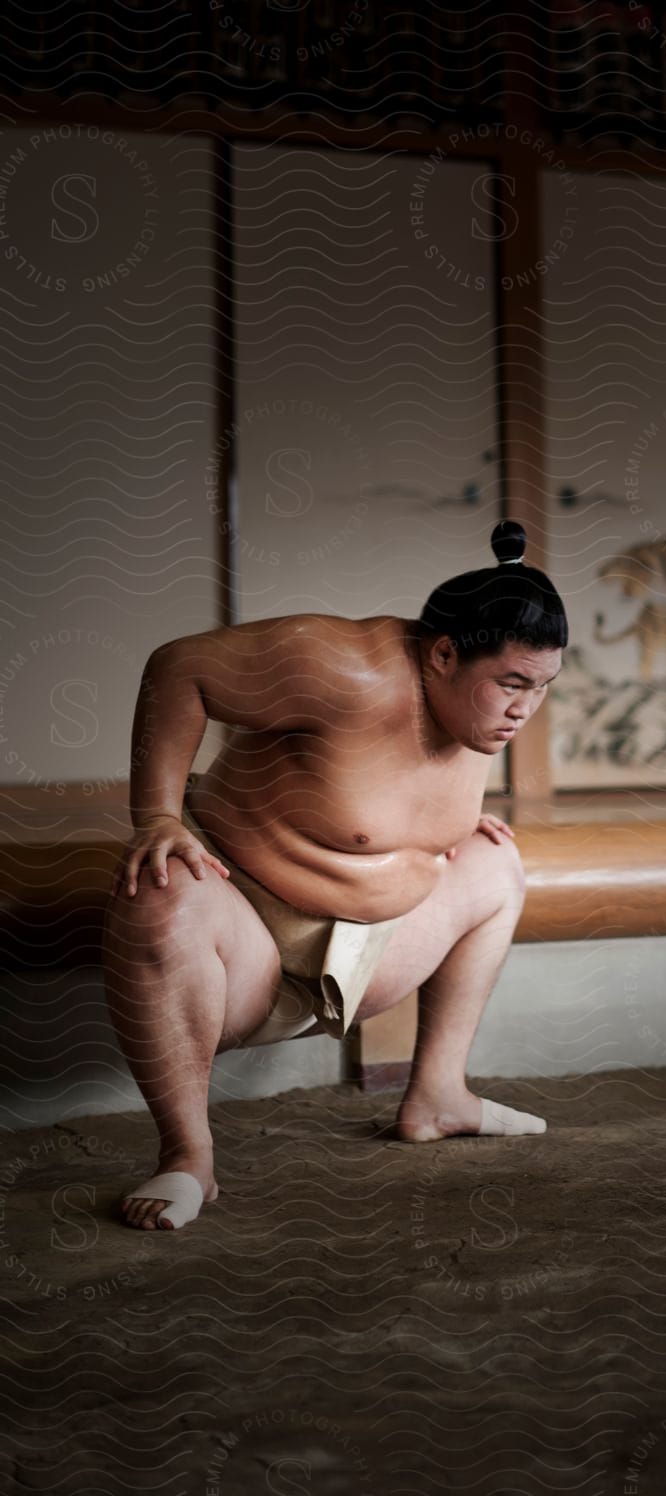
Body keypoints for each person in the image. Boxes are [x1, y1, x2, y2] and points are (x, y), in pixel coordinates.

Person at [105, 519, 567, 1232]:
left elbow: (388, 797)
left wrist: (439, 835)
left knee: (497, 861)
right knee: (161, 889)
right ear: (444, 653)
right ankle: (187, 1155)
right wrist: (156, 816)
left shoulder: (482, 714)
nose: (524, 710)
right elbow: (179, 668)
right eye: (511, 684)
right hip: (244, 943)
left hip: (369, 958)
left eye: (542, 688)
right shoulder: (342, 665)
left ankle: (438, 1096)